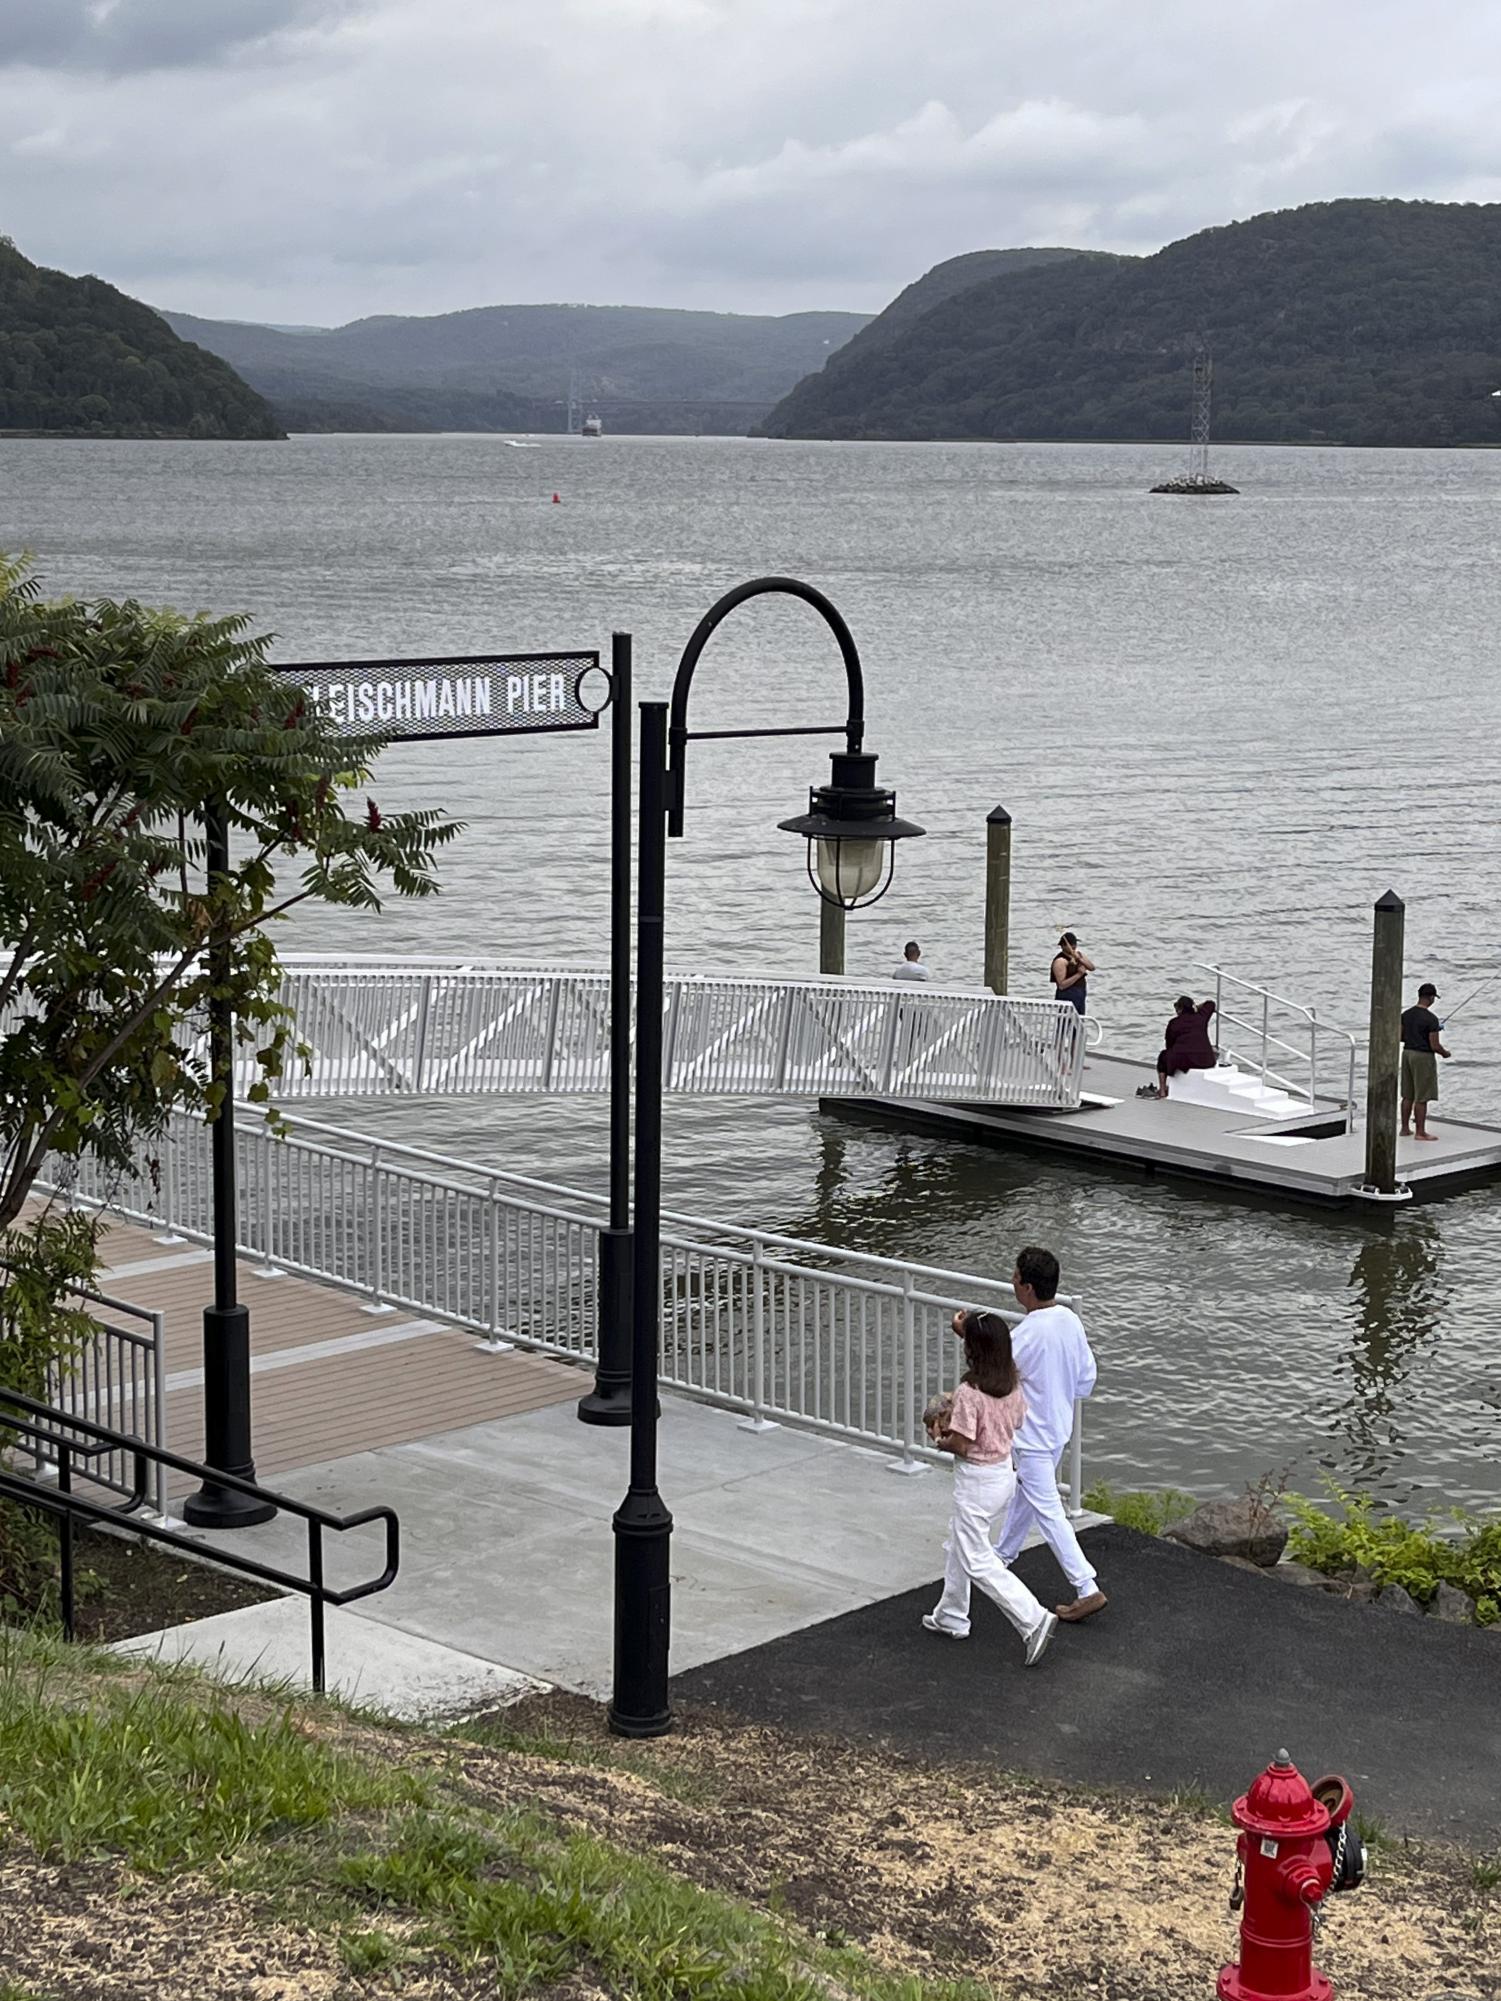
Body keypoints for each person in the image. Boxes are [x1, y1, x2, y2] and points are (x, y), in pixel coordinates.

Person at [922, 1309, 1058, 1666]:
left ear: (973, 1350)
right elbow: (1017, 1419)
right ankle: (951, 1614)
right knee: (961, 1540)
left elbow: (963, 1444)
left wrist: (939, 1437)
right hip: (1003, 1475)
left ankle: (1033, 1618)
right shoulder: (1012, 1381)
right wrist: (966, 1329)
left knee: (977, 1558)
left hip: (977, 1482)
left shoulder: (970, 1392)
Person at [993, 1246, 1105, 1622]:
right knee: (1028, 1497)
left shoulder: (1025, 1334)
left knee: (1048, 1511)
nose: (1011, 1281)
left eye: (1014, 1276)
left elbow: (995, 1374)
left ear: (1026, 1287)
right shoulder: (1069, 1321)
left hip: (1031, 1438)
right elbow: (1086, 1377)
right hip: (1057, 1431)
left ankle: (1086, 1585)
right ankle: (1000, 1559)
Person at [1138, 995, 1217, 1100]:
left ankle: (1162, 1090)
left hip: (1186, 1060)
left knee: (1163, 1056)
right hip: (1206, 1060)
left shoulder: (1174, 1023)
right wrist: (1196, 1008)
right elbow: (1211, 1003)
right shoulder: (1201, 1017)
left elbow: (1169, 1045)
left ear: (1180, 1010)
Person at [1400, 982, 1450, 1141]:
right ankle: (1420, 1133)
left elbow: (1400, 1037)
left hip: (1407, 1053)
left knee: (1408, 1095)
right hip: (1423, 1057)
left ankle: (1405, 1129)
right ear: (1430, 997)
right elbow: (1434, 1045)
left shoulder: (1406, 1014)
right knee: (1422, 1096)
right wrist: (1445, 1053)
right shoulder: (1431, 1019)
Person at [1051, 932, 1093, 1014]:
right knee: (1066, 1024)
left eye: (1075, 943)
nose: (1073, 946)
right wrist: (1079, 974)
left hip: (1080, 994)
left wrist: (1080, 959)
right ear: (1063, 946)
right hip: (1067, 996)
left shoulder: (1078, 955)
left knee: (1079, 1022)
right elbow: (1062, 985)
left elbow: (1092, 967)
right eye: (1070, 944)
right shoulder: (1060, 961)